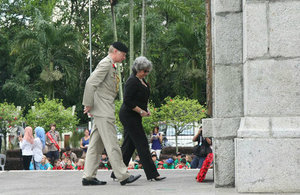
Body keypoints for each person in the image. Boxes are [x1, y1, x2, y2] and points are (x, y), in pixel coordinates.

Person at [82, 42, 141, 186]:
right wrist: (88, 104)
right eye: (123, 54)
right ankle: (123, 175)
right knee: (112, 143)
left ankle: (88, 176)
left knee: (95, 145)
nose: (124, 57)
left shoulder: (111, 65)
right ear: (115, 51)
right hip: (103, 109)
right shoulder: (106, 64)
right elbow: (90, 83)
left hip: (103, 107)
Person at [114, 56, 166, 181]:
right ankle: (153, 174)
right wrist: (141, 111)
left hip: (135, 116)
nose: (146, 73)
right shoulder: (132, 81)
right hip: (128, 115)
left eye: (147, 71)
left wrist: (145, 110)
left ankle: (117, 173)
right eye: (144, 71)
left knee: (129, 145)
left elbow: (141, 99)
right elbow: (127, 101)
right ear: (138, 70)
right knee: (142, 143)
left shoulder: (141, 81)